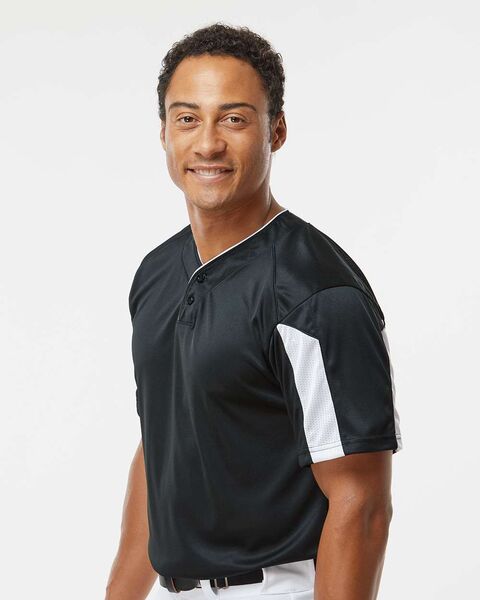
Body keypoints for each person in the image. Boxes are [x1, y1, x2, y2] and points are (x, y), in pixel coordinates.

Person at [105, 22, 403, 600]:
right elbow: (161, 448)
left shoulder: (315, 294)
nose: (208, 144)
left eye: (234, 119)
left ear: (277, 130)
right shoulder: (156, 274)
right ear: (163, 131)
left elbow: (361, 502)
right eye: (187, 118)